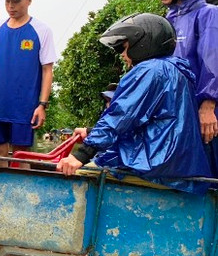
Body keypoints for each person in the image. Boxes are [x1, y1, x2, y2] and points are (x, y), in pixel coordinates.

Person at [56, 13, 210, 194]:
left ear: (143, 43)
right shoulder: (174, 69)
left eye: (124, 47)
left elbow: (121, 115)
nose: (122, 54)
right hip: (174, 163)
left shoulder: (149, 70)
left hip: (153, 163)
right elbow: (149, 123)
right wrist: (91, 132)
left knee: (80, 177)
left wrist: (81, 155)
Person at [145, 0, 218, 175]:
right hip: (176, 116)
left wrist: (208, 107)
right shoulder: (168, 19)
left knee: (206, 180)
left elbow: (211, 60)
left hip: (203, 116)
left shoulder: (208, 14)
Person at [0, 0, 57, 166]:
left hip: (25, 106)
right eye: (7, 1)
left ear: (29, 0)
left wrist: (42, 105)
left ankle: (20, 194)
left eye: (16, 1)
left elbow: (47, 70)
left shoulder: (41, 30)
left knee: (21, 153)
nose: (10, 6)